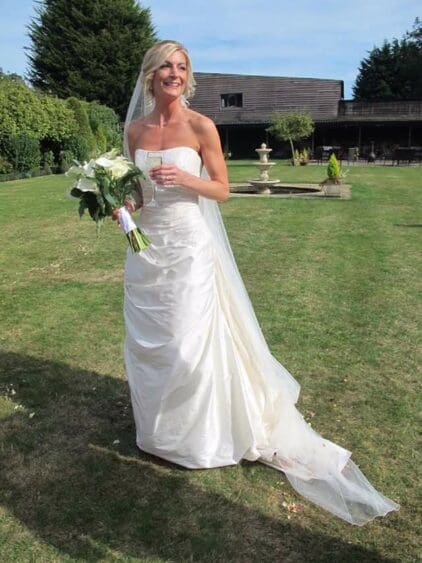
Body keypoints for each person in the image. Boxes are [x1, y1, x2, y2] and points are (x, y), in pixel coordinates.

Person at [120, 40, 399, 525]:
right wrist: (126, 209)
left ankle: (203, 433)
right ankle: (161, 433)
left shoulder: (201, 126)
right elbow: (138, 193)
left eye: (182, 66)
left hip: (189, 248)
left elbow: (222, 190)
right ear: (150, 74)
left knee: (188, 342)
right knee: (154, 347)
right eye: (165, 65)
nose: (174, 72)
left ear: (189, 77)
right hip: (149, 253)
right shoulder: (135, 130)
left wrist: (187, 181)